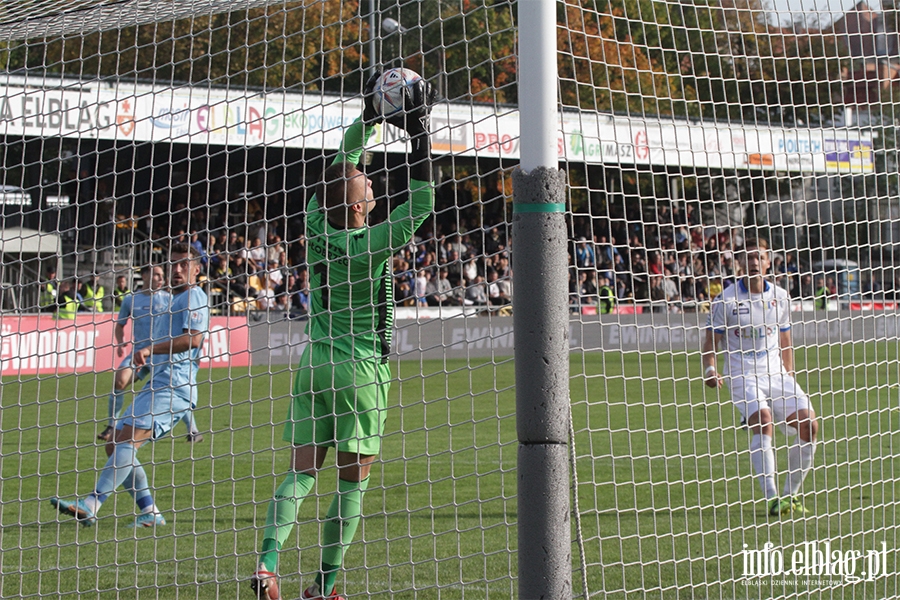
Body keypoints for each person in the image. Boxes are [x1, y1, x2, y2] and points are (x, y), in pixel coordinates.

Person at [249, 74, 435, 600]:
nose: (372, 186)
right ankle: (324, 588)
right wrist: (419, 130)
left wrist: (370, 121)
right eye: (368, 189)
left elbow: (341, 164)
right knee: (352, 483)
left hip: (314, 366)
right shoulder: (374, 241)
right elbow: (422, 200)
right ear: (357, 209)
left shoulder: (314, 221)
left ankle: (267, 565)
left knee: (300, 475)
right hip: (359, 372)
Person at [50, 243, 209, 528]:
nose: (176, 269)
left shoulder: (194, 296)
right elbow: (164, 350)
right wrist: (140, 370)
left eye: (184, 264)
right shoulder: (174, 301)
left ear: (197, 269)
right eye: (173, 263)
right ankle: (149, 511)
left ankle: (92, 503)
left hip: (175, 388)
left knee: (128, 441)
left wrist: (148, 350)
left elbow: (193, 340)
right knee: (114, 443)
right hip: (157, 384)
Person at [701, 238, 818, 517]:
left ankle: (791, 494)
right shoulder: (725, 300)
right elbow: (710, 342)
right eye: (749, 257)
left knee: (809, 425)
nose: (754, 261)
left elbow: (786, 340)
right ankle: (772, 497)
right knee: (764, 421)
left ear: (768, 262)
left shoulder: (780, 296)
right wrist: (709, 369)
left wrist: (789, 376)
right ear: (740, 262)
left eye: (759, 257)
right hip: (742, 374)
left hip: (777, 374)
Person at [98, 264, 203, 443]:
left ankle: (192, 430)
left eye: (162, 275)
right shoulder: (131, 300)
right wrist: (121, 342)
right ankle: (111, 425)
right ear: (144, 276)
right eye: (156, 274)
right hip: (139, 354)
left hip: (161, 355)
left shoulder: (171, 299)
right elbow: (120, 324)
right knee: (120, 381)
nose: (160, 278)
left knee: (174, 388)